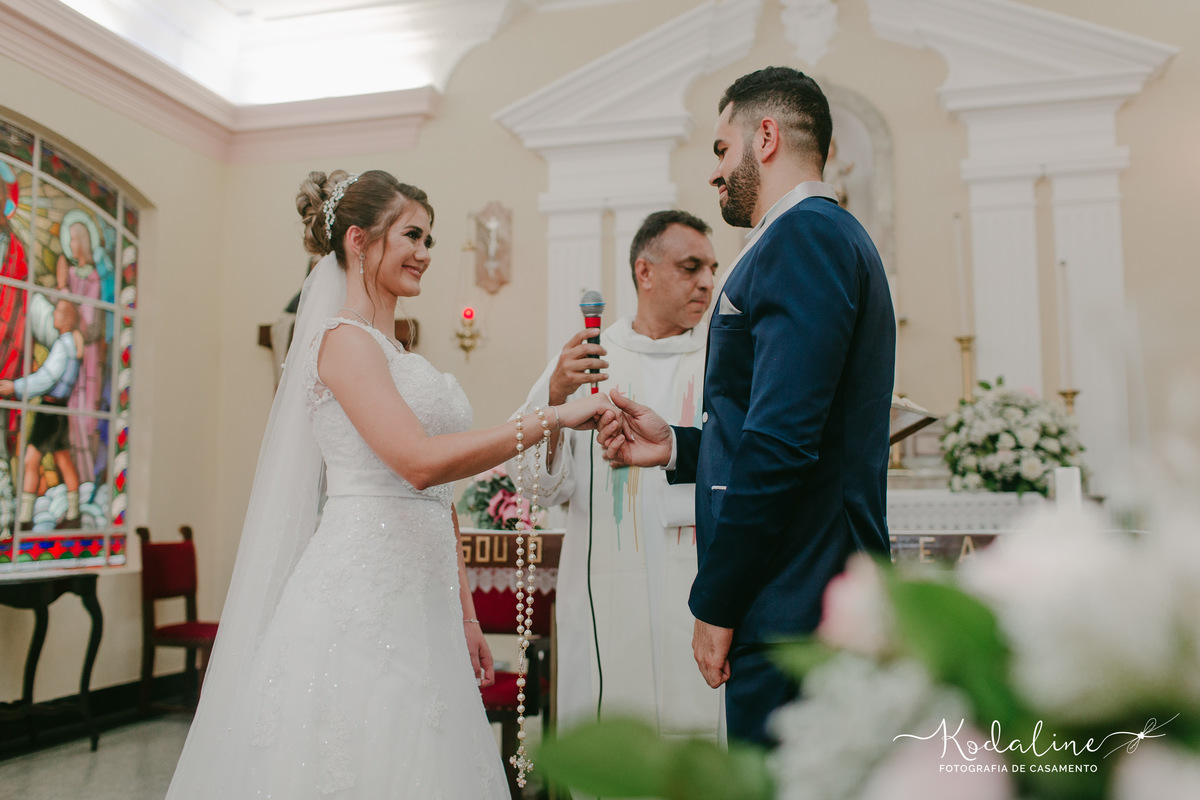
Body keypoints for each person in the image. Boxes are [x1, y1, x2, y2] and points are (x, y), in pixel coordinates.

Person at [164, 169, 614, 799]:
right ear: (358, 241)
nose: (426, 254)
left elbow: (437, 497)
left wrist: (463, 614)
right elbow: (420, 461)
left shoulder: (403, 357)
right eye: (412, 236)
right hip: (357, 598)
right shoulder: (341, 343)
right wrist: (548, 419)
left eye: (430, 239)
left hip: (424, 603)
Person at [599, 67, 896, 746]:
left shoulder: (804, 238)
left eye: (721, 147)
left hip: (795, 598)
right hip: (808, 590)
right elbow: (793, 427)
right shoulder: (822, 236)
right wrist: (676, 444)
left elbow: (782, 442)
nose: (716, 171)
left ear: (765, 138)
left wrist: (718, 599)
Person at [508, 210, 722, 743]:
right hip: (607, 588)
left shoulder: (724, 358)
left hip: (705, 589)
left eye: (711, 269)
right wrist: (556, 397)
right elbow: (537, 487)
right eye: (691, 267)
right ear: (644, 272)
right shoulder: (590, 360)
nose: (707, 282)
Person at [0, 299, 85, 531]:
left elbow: (47, 378)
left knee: (31, 460)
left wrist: (15, 387)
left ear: (66, 318)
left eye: (57, 312)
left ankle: (25, 519)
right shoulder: (72, 344)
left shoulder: (64, 345)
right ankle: (74, 513)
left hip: (49, 412)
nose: (53, 316)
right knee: (64, 461)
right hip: (60, 412)